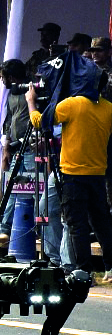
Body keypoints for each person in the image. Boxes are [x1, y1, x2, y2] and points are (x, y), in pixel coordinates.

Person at [28, 53, 112, 274]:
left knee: (77, 225)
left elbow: (39, 122)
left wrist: (30, 101)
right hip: (97, 174)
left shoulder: (73, 105)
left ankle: (82, 271)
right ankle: (110, 267)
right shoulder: (109, 109)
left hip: (73, 175)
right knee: (102, 223)